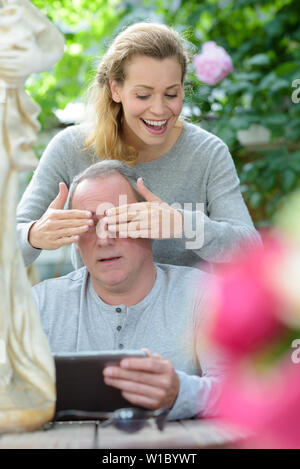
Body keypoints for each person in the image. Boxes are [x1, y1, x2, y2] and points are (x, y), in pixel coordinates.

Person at [17, 22, 261, 272]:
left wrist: (180, 224)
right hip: (99, 309)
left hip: (189, 309)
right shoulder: (70, 148)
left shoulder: (208, 154)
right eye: (143, 95)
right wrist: (33, 236)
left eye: (171, 94)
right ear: (115, 89)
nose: (159, 109)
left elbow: (250, 250)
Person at [32, 161, 227, 420]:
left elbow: (240, 391)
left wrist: (181, 392)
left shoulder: (204, 294)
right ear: (74, 240)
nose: (104, 239)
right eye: (88, 224)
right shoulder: (39, 304)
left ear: (152, 225)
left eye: (119, 219)